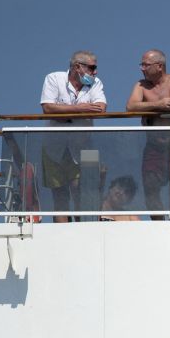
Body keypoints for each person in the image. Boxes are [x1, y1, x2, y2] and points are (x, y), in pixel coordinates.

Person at [39, 51, 107, 222]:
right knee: (60, 196)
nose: (95, 72)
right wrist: (82, 109)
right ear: (78, 67)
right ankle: (63, 236)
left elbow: (101, 108)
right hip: (53, 147)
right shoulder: (54, 78)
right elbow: (48, 108)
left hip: (83, 147)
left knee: (81, 193)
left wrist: (64, 111)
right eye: (92, 68)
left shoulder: (96, 83)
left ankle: (80, 232)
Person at [127, 49, 170, 220]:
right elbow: (130, 107)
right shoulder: (141, 85)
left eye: (145, 65)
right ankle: (159, 226)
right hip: (154, 146)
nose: (142, 69)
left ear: (159, 66)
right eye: (141, 65)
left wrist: (148, 107)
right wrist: (160, 104)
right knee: (150, 186)